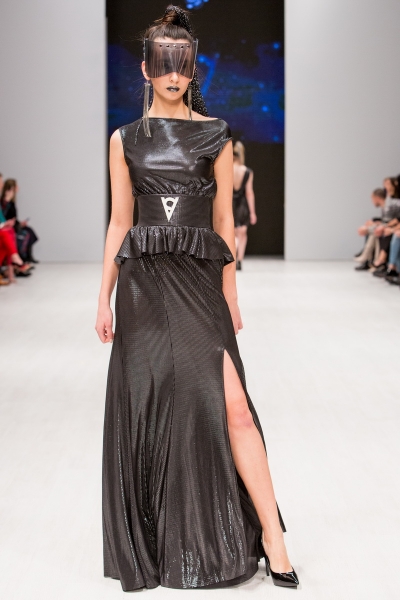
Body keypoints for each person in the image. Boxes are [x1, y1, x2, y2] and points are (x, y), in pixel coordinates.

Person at [96, 5, 298, 592]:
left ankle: (273, 537)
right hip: (142, 286)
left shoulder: (215, 135)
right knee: (152, 407)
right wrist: (103, 296)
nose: (173, 74)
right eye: (163, 63)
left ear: (193, 68)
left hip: (198, 285)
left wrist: (230, 295)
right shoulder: (124, 139)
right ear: (144, 68)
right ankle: (162, 541)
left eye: (182, 63)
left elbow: (223, 224)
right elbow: (120, 222)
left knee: (233, 407)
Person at [1, 179, 39, 263]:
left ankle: (27, 257)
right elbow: (3, 216)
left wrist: (19, 223)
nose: (18, 187)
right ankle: (20, 258)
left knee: (29, 230)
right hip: (7, 226)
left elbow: (12, 217)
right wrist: (7, 201)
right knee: (24, 234)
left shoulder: (11, 202)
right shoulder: (4, 202)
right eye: (16, 186)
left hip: (10, 225)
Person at [232, 141, 256, 270]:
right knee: (242, 233)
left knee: (233, 233)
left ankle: (234, 258)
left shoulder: (228, 169)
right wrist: (252, 213)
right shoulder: (247, 171)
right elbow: (249, 193)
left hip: (230, 203)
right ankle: (240, 260)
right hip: (242, 204)